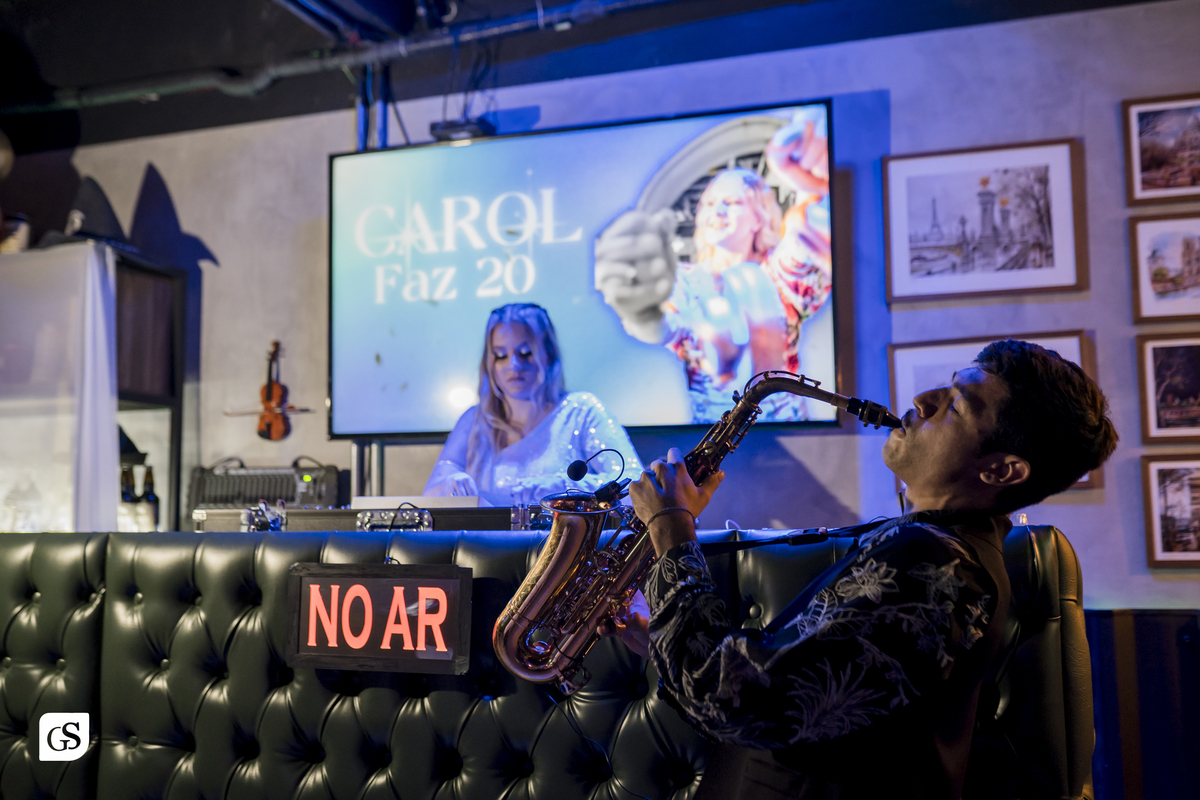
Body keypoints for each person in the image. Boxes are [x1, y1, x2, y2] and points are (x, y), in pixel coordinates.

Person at [607, 339, 1118, 799]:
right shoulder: (940, 550)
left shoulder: (935, 562)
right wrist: (666, 639)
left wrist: (671, 526)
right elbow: (790, 698)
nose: (923, 400)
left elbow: (733, 701)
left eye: (958, 406)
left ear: (1001, 470)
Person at [594, 114, 833, 423]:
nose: (716, 211)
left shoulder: (780, 275)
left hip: (789, 432)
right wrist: (638, 309)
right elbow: (663, 326)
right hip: (709, 444)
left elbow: (814, 225)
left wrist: (801, 171)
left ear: (759, 217)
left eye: (731, 202)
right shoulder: (684, 281)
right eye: (708, 204)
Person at [423, 303, 643, 507]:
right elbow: (428, 498)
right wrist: (450, 482)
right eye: (500, 355)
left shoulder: (581, 410)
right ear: (489, 362)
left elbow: (634, 483)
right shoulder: (473, 420)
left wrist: (560, 488)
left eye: (525, 353)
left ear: (549, 354)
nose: (514, 365)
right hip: (486, 548)